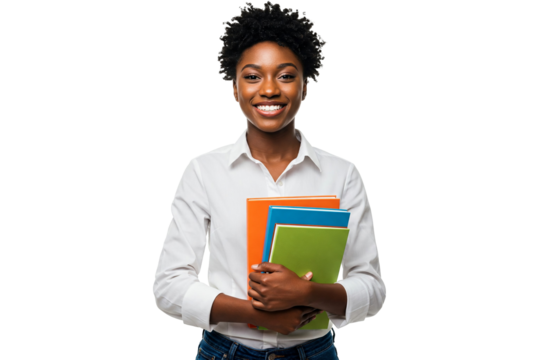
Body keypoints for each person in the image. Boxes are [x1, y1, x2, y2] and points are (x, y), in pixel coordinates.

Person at [152, 1, 386, 359]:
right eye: (252, 76)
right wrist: (255, 314)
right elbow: (168, 287)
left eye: (286, 75)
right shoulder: (203, 170)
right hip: (225, 352)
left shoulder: (343, 175)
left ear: (305, 85)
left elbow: (372, 289)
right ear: (234, 88)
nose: (270, 89)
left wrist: (307, 294)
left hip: (315, 353)